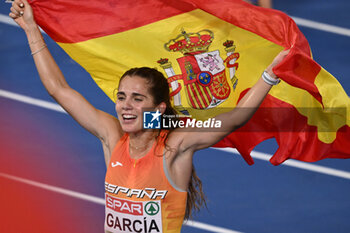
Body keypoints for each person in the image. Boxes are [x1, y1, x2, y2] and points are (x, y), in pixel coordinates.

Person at [9, 0, 288, 232]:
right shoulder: (112, 136)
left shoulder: (174, 147)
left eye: (137, 98)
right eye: (121, 97)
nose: (125, 105)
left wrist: (269, 75)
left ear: (159, 109)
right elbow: (59, 90)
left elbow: (235, 119)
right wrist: (32, 29)